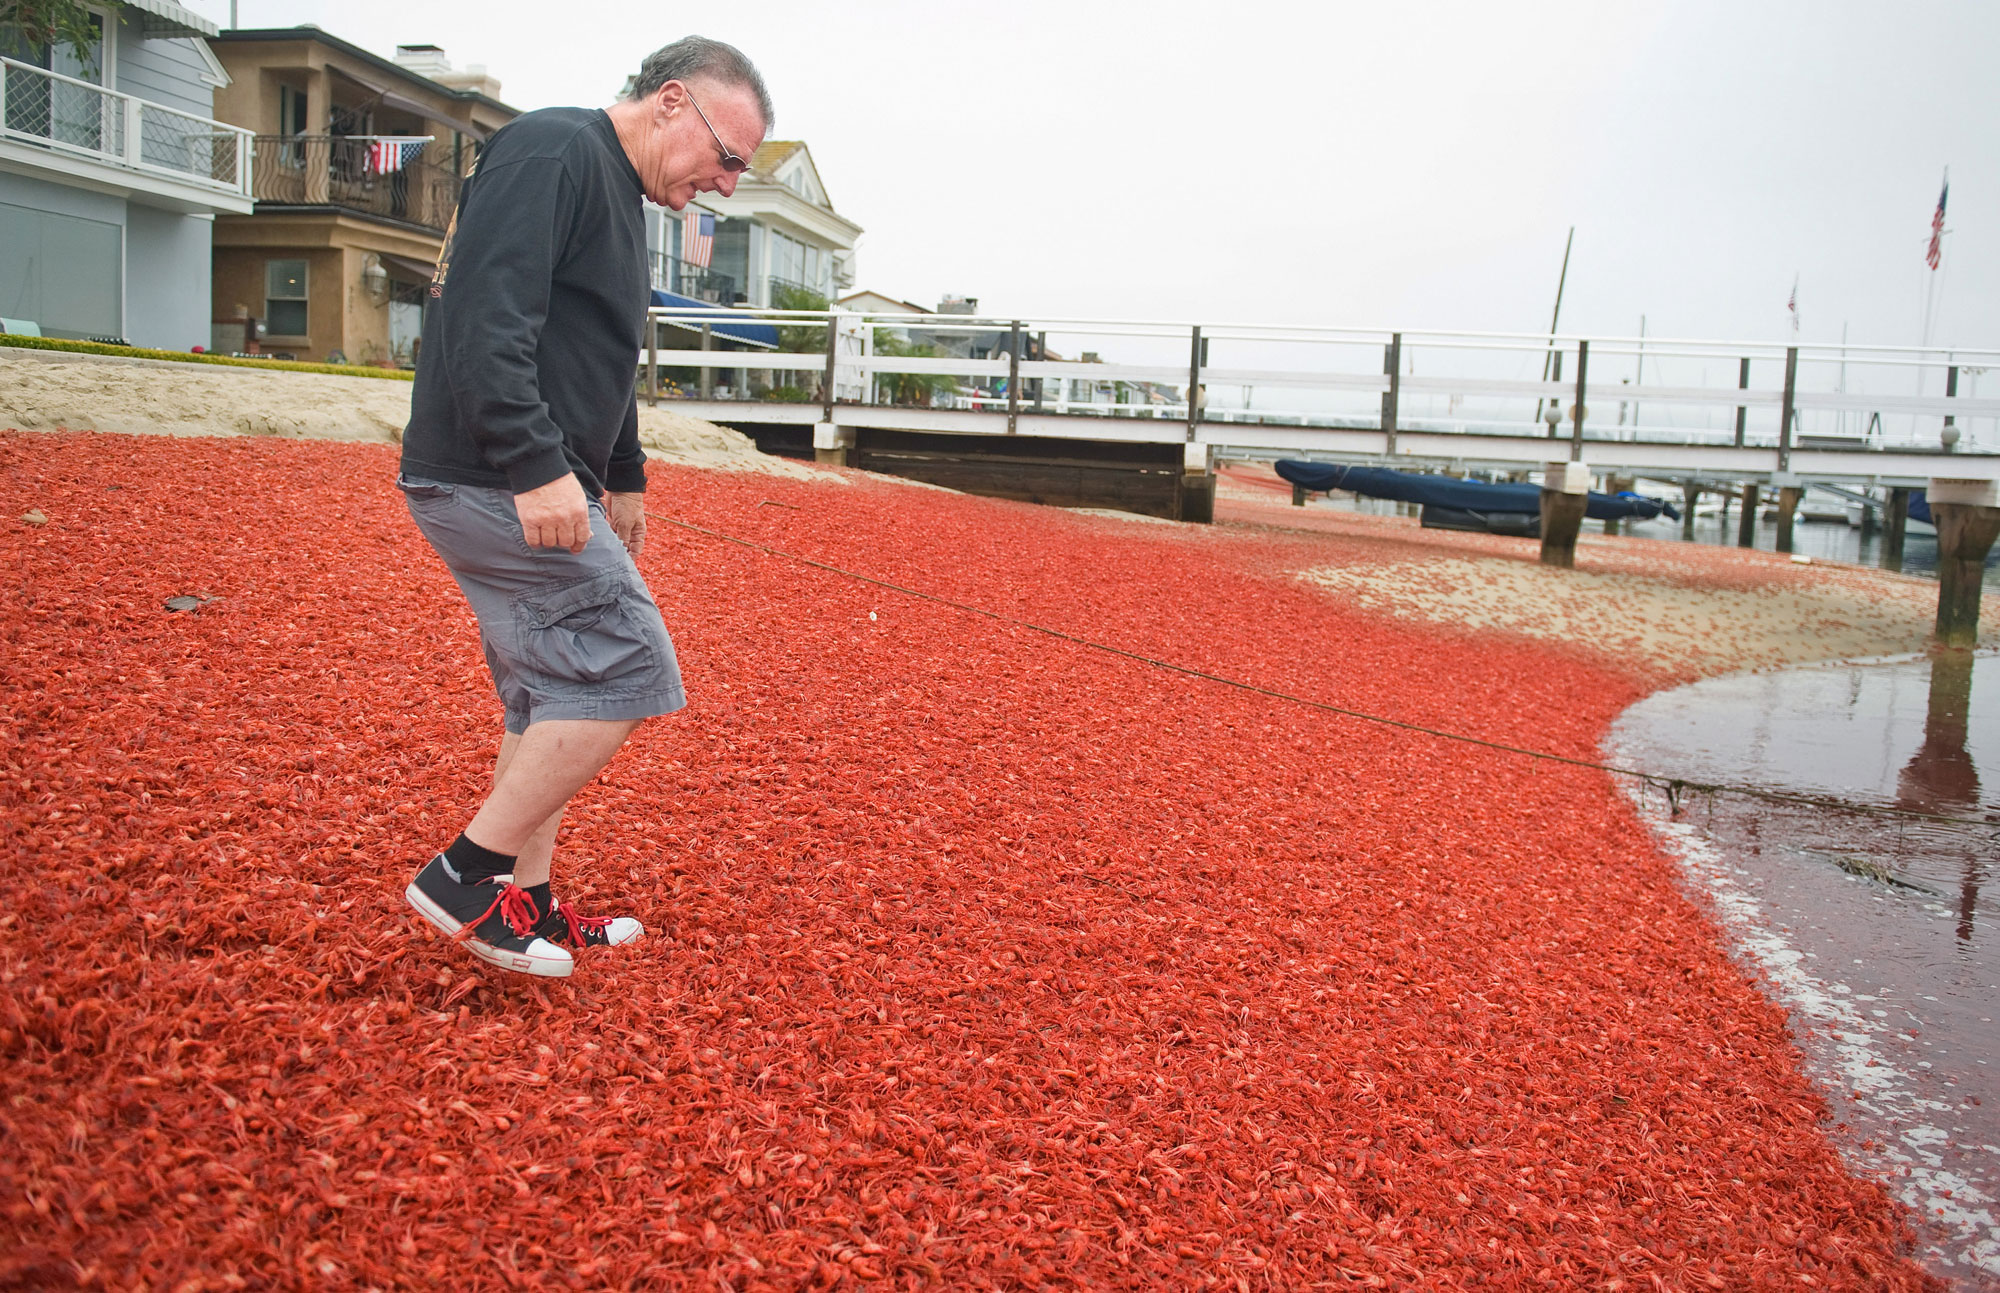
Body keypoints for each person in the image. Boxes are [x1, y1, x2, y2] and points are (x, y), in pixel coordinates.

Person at [397, 37, 772, 978]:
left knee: (554, 688)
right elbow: (483, 320)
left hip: (526, 475)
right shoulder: (554, 149)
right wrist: (534, 464)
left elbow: (598, 346)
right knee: (628, 665)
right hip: (491, 476)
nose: (728, 184)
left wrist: (624, 468)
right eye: (729, 157)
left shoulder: (614, 187)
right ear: (674, 102)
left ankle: (521, 908)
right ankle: (465, 875)